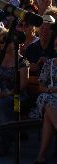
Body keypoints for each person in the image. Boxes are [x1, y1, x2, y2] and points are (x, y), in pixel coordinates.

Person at [34, 32, 57, 163]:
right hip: (49, 97)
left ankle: (41, 156)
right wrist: (50, 89)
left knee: (48, 115)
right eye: (56, 45)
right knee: (46, 99)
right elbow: (41, 86)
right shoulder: (50, 63)